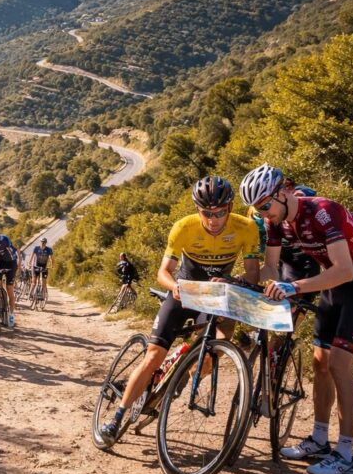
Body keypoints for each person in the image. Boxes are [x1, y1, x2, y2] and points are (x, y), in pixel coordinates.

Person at [242, 163, 353, 474]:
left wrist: (293, 287)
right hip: (332, 289)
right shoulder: (278, 223)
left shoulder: (324, 211)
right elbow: (271, 269)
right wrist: (245, 281)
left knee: (340, 366)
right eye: (258, 210)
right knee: (320, 363)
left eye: (266, 205)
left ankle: (345, 454)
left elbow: (345, 270)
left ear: (283, 193)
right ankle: (320, 439)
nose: (264, 215)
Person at [99, 176, 261, 443]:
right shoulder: (183, 227)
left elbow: (253, 274)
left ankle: (181, 374)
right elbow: (163, 271)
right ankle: (116, 417)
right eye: (206, 213)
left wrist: (231, 281)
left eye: (220, 212)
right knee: (152, 357)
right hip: (183, 293)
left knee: (212, 350)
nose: (213, 219)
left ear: (230, 207)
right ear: (198, 209)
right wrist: (174, 287)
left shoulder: (246, 228)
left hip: (213, 297)